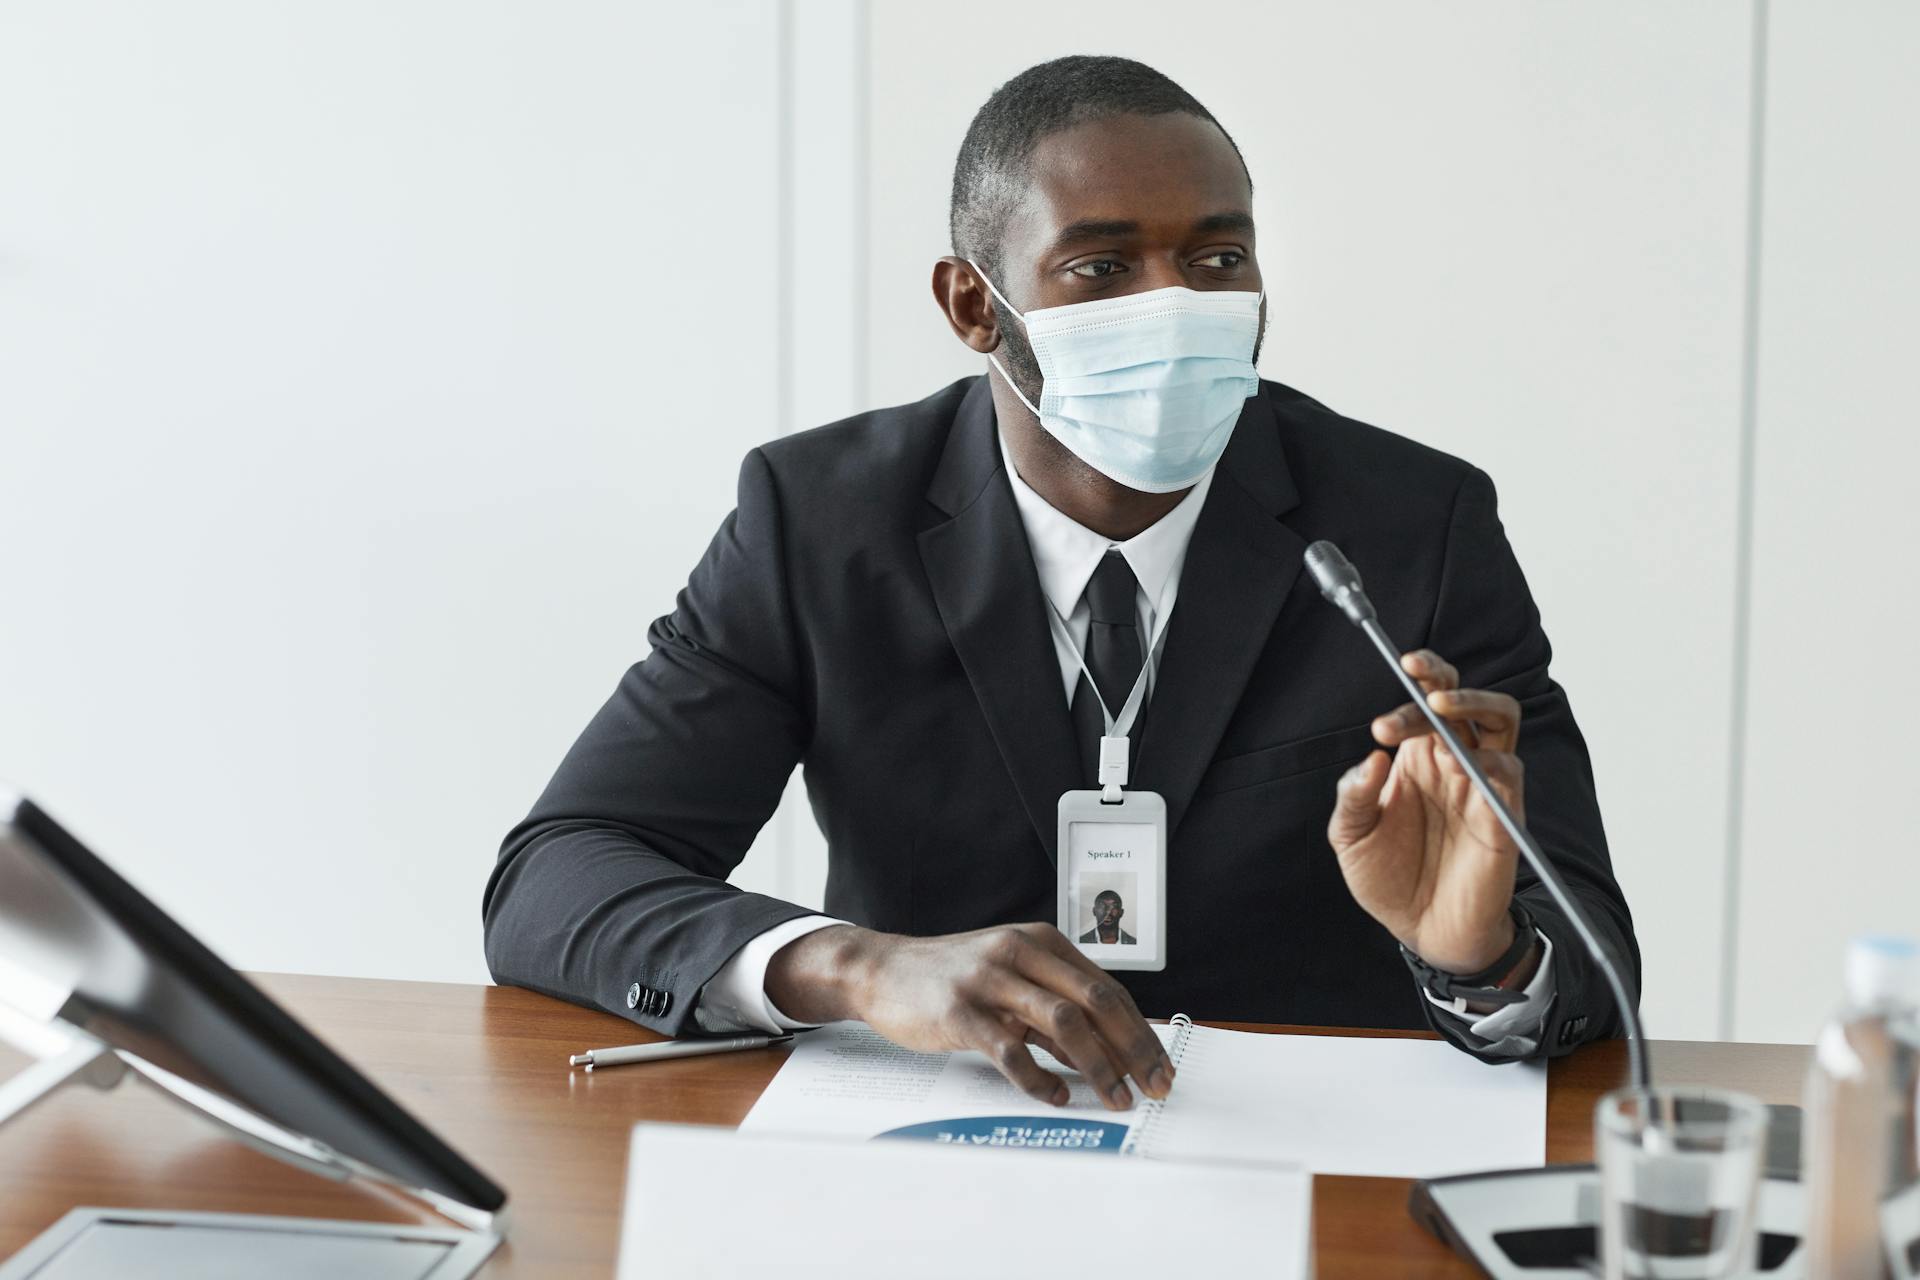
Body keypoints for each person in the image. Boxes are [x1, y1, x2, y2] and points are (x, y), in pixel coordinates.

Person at [483, 55, 1638, 1114]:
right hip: (945, 1148)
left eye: (1217, 258)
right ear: (974, 305)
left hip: (1303, 1168)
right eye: (1102, 265)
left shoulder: (1409, 526)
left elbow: (1594, 965)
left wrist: (1482, 956)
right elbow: (558, 874)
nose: (1176, 303)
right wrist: (857, 963)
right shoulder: (819, 519)